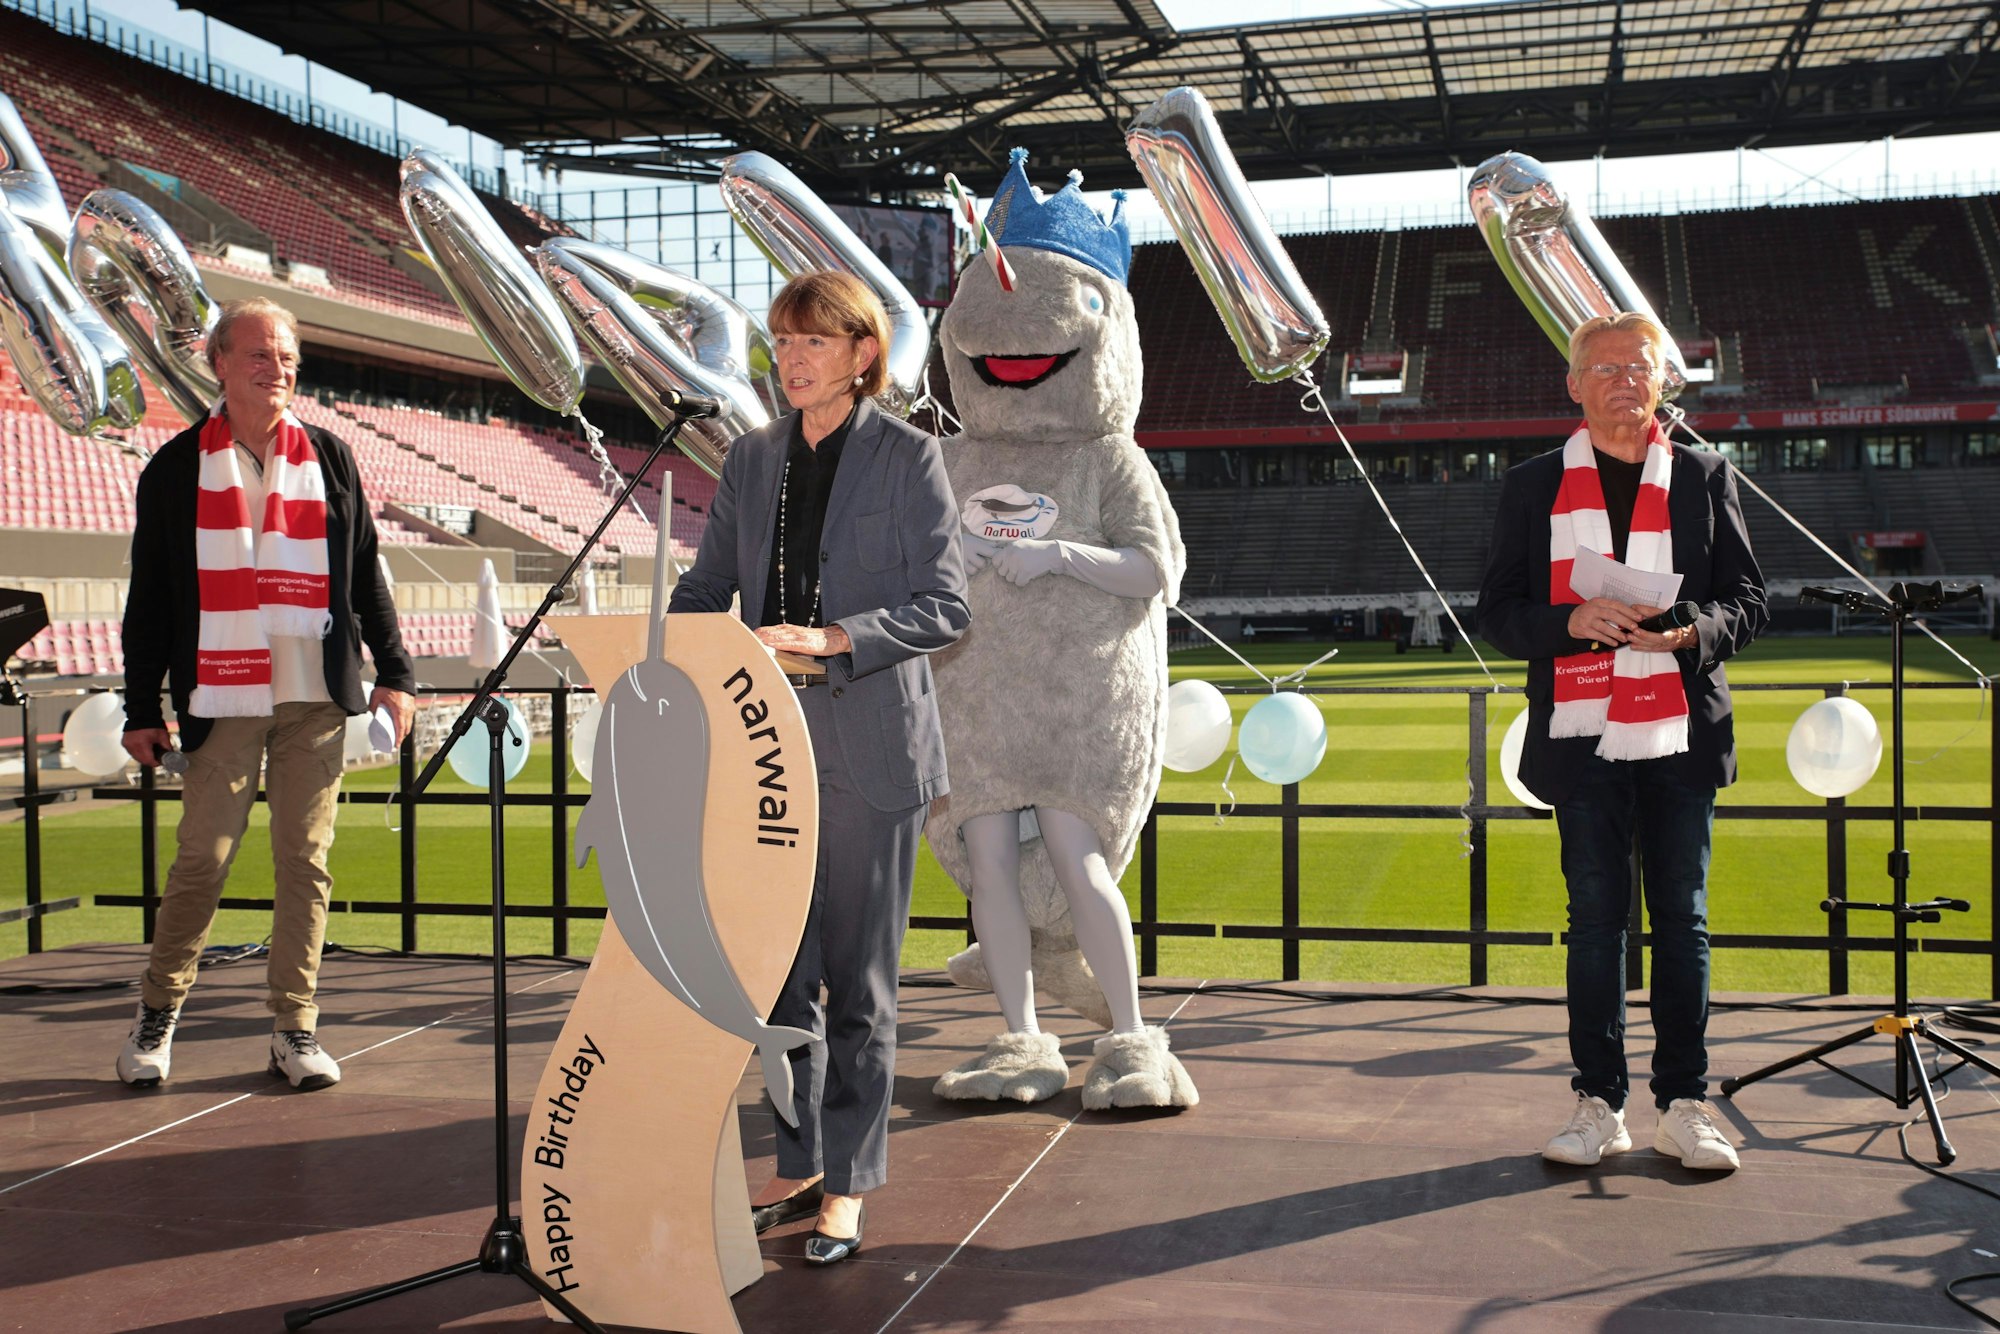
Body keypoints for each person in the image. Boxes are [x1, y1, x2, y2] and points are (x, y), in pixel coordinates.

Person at [668, 270, 969, 1264]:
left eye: (809, 342)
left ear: (859, 353)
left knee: (859, 987)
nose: (788, 359)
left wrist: (835, 635)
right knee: (776, 985)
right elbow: (710, 584)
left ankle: (847, 1183)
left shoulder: (910, 457)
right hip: (763, 753)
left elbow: (943, 604)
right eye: (779, 343)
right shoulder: (750, 461)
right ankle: (797, 1161)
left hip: (871, 752)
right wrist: (656, 635)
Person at [1476, 312, 1766, 1172]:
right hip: (1581, 732)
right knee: (1596, 921)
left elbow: (1749, 602)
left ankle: (1684, 1102)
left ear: (1661, 381)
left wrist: (1687, 635)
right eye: (1603, 368)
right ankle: (1598, 1101)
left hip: (1678, 729)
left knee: (1683, 919)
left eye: (1638, 366)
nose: (1622, 380)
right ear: (1575, 386)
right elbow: (1497, 611)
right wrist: (1571, 620)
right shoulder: (1532, 486)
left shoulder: (1706, 478)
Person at [117, 297, 416, 1093]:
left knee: (305, 864)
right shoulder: (177, 469)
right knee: (202, 862)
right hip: (221, 696)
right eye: (257, 354)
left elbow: (365, 580)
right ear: (216, 362)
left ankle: (295, 1027)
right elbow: (149, 599)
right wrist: (140, 707)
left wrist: (396, 673)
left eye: (286, 357)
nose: (276, 368)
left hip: (315, 697)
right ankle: (157, 1013)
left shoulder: (331, 456)